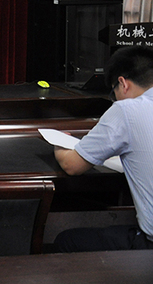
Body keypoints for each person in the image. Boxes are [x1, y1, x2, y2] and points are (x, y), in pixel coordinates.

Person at [54, 45, 153, 252]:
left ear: (123, 83)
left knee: (67, 241)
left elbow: (72, 165)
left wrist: (59, 144)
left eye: (114, 93)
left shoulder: (127, 110)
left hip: (149, 245)